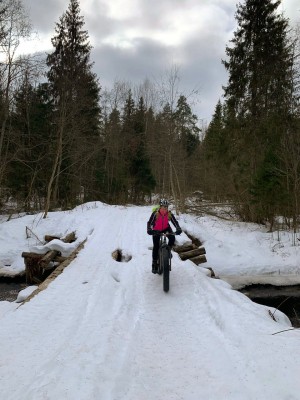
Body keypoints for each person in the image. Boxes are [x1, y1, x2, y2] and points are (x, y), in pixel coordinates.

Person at [147, 199, 182, 274]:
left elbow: (175, 222)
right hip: (156, 230)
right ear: (160, 207)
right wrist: (149, 229)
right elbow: (149, 222)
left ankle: (168, 251)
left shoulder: (169, 214)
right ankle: (154, 264)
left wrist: (178, 228)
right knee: (156, 246)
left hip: (166, 228)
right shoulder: (155, 213)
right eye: (163, 207)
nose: (165, 208)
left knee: (172, 237)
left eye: (166, 207)